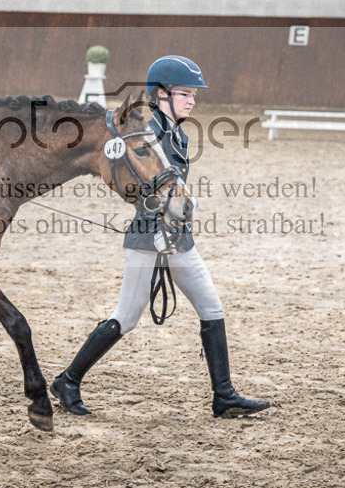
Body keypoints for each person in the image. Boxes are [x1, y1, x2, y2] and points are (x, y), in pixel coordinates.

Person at [51, 55, 271, 418]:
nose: (192, 101)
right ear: (161, 95)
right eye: (184, 94)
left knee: (211, 307)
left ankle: (224, 396)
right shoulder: (144, 134)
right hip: (147, 237)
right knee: (126, 316)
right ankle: (68, 380)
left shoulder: (178, 134)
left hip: (178, 237)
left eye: (193, 95)